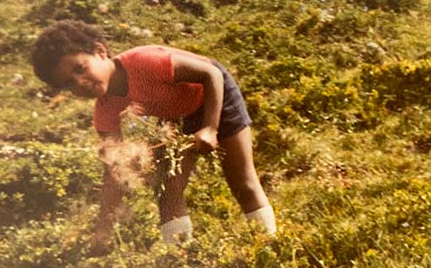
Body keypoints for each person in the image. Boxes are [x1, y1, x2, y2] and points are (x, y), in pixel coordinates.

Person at [30, 20, 276, 250]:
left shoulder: (143, 62)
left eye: (80, 68)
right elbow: (113, 170)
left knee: (242, 180)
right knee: (168, 193)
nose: (80, 82)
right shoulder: (105, 109)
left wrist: (210, 128)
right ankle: (179, 259)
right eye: (69, 83)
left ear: (100, 51)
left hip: (213, 96)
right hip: (176, 117)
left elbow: (210, 74)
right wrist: (103, 230)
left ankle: (269, 247)